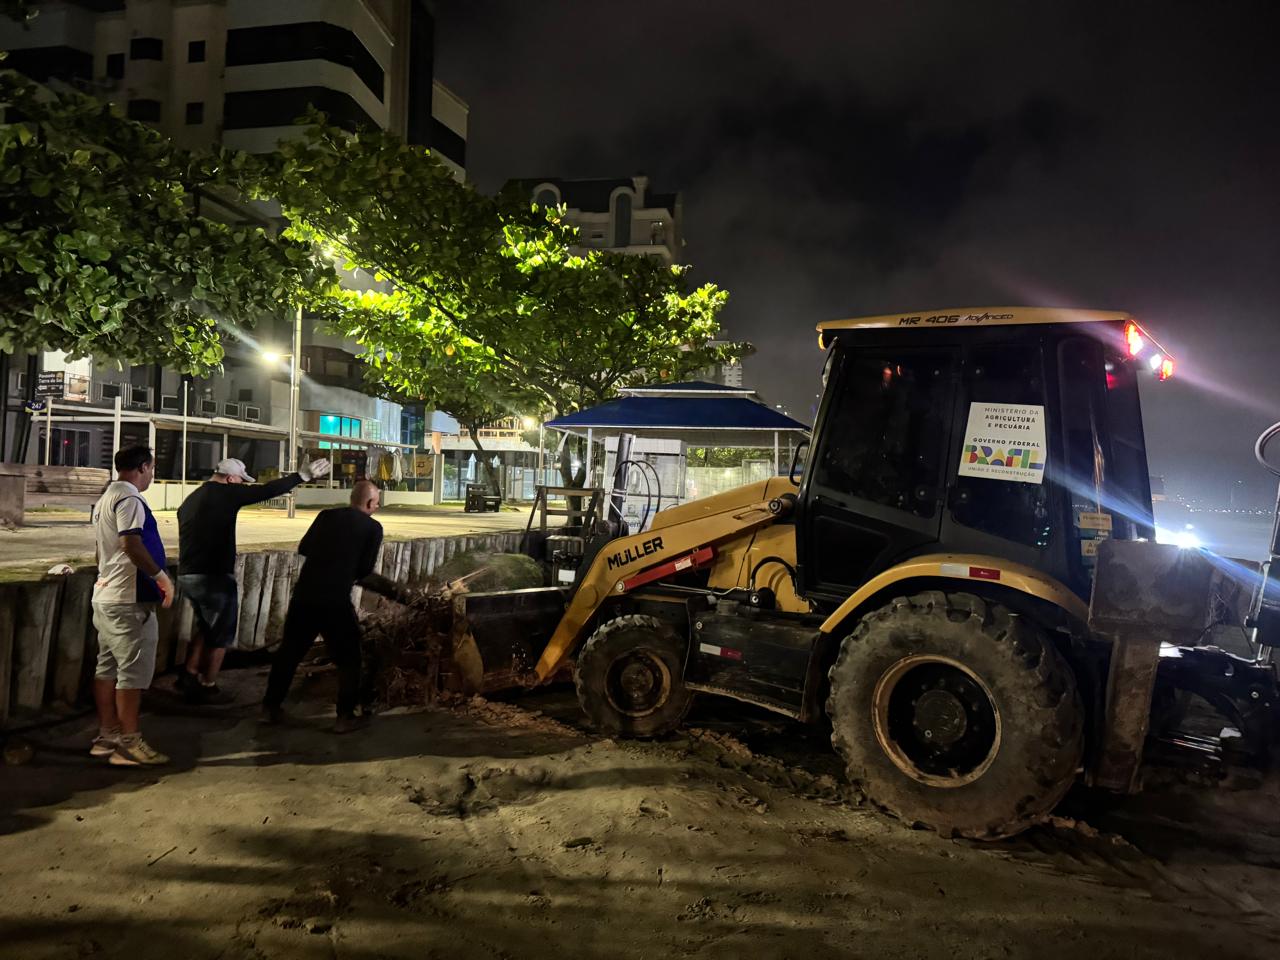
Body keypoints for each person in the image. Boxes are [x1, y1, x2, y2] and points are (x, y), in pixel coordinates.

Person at [175, 456, 330, 702]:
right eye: (240, 481)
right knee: (223, 633)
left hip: (188, 573)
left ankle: (188, 675)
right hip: (214, 575)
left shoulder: (192, 499)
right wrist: (301, 477)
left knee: (206, 626)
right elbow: (266, 491)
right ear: (230, 479)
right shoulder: (226, 494)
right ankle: (208, 685)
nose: (243, 486)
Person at [262, 479, 396, 733]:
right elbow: (364, 570)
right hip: (334, 600)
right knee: (349, 657)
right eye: (376, 503)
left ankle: (270, 708)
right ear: (369, 503)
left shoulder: (325, 516)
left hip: (304, 596)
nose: (376, 508)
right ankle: (344, 716)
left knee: (289, 654)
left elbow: (304, 548)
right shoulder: (372, 528)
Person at [89, 445, 174, 766]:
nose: (152, 474)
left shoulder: (106, 498)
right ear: (142, 467)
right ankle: (129, 743)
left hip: (106, 595)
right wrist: (161, 577)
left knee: (107, 667)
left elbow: (102, 549)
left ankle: (107, 734)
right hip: (128, 599)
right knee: (132, 673)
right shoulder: (130, 499)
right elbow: (130, 542)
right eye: (151, 468)